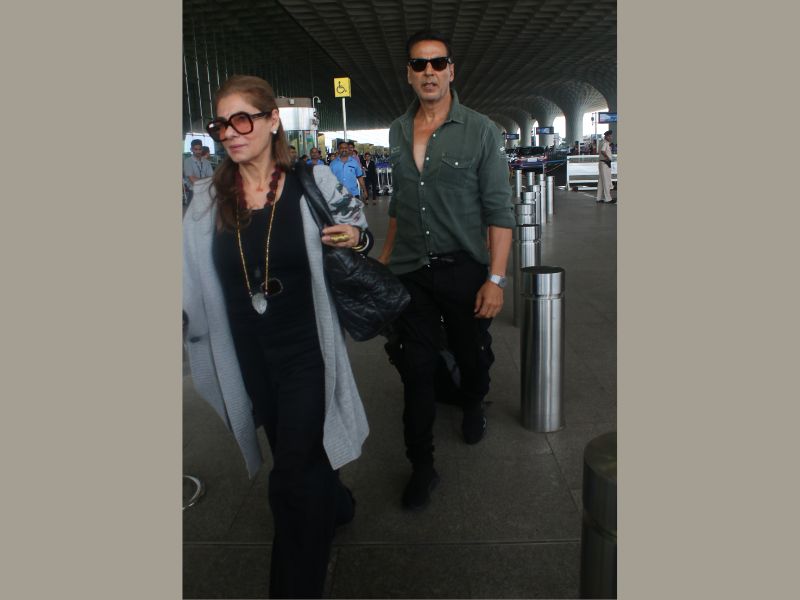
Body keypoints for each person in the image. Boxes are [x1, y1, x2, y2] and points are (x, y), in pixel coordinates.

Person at [183, 75, 374, 598]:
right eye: (221, 124)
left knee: (290, 476)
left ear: (272, 121)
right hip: (248, 354)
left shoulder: (313, 182)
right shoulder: (206, 200)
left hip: (306, 349)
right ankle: (336, 503)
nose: (229, 132)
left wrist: (355, 237)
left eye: (242, 119)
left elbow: (362, 231)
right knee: (296, 451)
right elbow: (188, 278)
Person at [377, 30, 515, 511]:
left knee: (471, 354)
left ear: (451, 70)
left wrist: (495, 280)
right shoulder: (398, 130)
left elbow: (499, 211)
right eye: (419, 64)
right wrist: (384, 260)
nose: (429, 72)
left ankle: (473, 401)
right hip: (410, 270)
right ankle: (422, 465)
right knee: (414, 369)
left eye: (437, 63)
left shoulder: (481, 130)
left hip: (462, 269)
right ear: (409, 74)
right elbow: (399, 205)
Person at [183, 138, 214, 204]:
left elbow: (211, 178)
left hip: (205, 192)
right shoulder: (188, 162)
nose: (198, 152)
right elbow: (193, 180)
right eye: (195, 149)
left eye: (200, 149)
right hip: (193, 192)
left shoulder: (207, 162)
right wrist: (206, 180)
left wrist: (199, 179)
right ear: (191, 149)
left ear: (202, 149)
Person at [596, 129, 614, 203]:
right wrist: (607, 158)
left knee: (601, 181)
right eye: (610, 136)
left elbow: (600, 151)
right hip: (605, 163)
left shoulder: (601, 142)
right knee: (606, 181)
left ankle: (599, 198)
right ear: (606, 136)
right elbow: (602, 151)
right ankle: (608, 199)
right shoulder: (605, 143)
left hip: (601, 163)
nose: (611, 138)